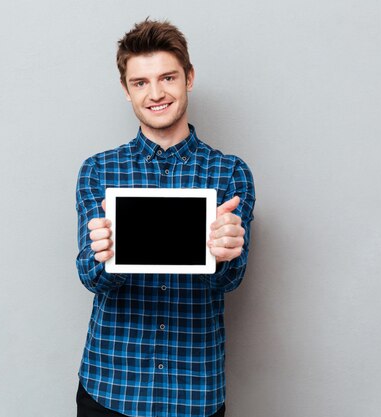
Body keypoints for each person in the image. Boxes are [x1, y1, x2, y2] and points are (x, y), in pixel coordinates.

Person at [75, 19, 256, 417]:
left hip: (193, 392)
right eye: (140, 82)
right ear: (126, 90)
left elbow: (232, 279)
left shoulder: (229, 173)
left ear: (188, 78)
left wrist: (226, 254)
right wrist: (103, 257)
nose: (155, 94)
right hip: (112, 386)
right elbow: (90, 277)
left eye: (167, 78)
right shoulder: (99, 172)